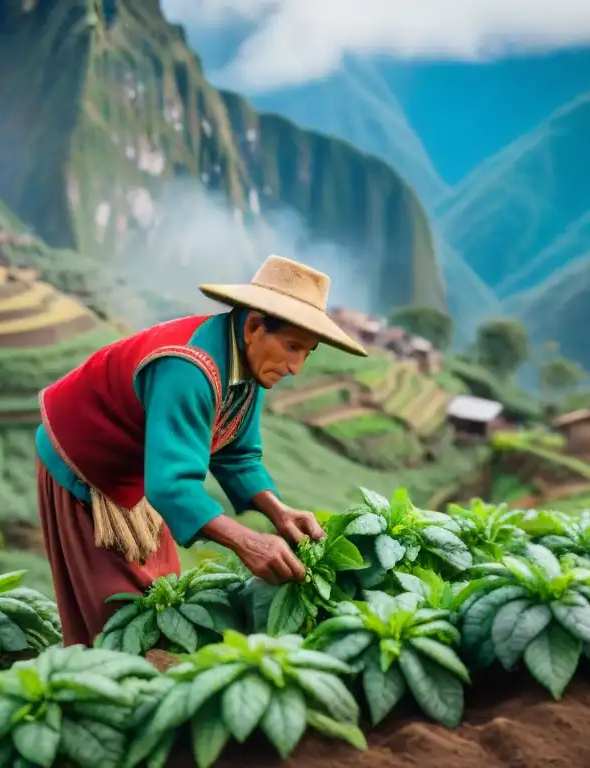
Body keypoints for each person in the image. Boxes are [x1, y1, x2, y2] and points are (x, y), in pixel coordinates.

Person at [35, 254, 368, 645]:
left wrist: (278, 512)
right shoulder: (189, 368)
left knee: (162, 592)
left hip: (137, 472)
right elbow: (172, 488)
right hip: (86, 464)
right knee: (115, 619)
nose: (296, 366)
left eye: (306, 352)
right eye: (292, 346)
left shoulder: (247, 368)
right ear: (255, 326)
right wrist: (247, 540)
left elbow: (238, 453)